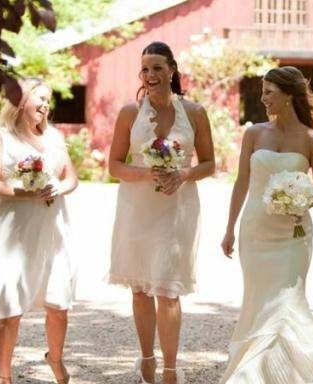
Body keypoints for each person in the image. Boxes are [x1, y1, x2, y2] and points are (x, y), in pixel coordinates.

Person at [220, 66, 313, 383]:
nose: (263, 99)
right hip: (255, 230)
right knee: (259, 299)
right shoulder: (254, 133)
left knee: (288, 300)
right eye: (263, 92)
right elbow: (241, 182)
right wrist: (229, 228)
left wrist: (299, 202)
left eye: (269, 92)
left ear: (288, 95)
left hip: (293, 233)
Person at [107, 41, 215, 384]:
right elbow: (113, 165)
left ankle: (170, 370)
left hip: (178, 208)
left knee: (168, 290)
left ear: (172, 70)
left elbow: (210, 164)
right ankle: (147, 360)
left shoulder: (195, 112)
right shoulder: (129, 112)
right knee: (140, 288)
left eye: (157, 68)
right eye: (145, 69)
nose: (150, 75)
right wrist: (146, 174)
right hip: (137, 207)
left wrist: (184, 173)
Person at [0, 77, 78, 384]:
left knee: (58, 305)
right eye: (41, 98)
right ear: (22, 102)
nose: (47, 105)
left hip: (53, 230)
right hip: (14, 233)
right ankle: (3, 376)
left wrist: (57, 188)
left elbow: (70, 177)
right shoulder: (1, 137)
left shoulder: (54, 137)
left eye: (49, 100)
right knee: (9, 309)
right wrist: (27, 193)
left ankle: (56, 359)